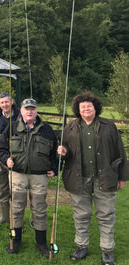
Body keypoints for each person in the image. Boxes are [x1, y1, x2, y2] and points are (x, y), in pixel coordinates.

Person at [57, 92, 129, 265]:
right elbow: (65, 150)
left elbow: (120, 151)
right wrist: (63, 152)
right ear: (78, 110)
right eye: (82, 107)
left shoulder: (108, 126)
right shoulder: (71, 127)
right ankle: (81, 246)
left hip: (105, 178)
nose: (86, 109)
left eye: (89, 106)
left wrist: (122, 177)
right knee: (81, 215)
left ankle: (107, 250)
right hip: (78, 178)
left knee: (106, 215)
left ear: (96, 108)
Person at [0, 98, 58, 257]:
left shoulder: (47, 130)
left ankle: (41, 243)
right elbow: (0, 147)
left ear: (36, 111)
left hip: (39, 177)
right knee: (16, 210)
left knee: (40, 210)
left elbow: (55, 152)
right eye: (26, 109)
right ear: (21, 111)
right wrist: (5, 159)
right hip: (17, 175)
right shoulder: (12, 127)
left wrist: (55, 169)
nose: (29, 111)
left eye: (32, 109)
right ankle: (15, 242)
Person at [0, 92, 20, 224]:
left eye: (7, 102)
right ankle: (5, 217)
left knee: (16, 189)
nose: (4, 105)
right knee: (2, 188)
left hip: (14, 157)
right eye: (2, 103)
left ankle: (16, 219)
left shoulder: (20, 116)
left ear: (12, 102)